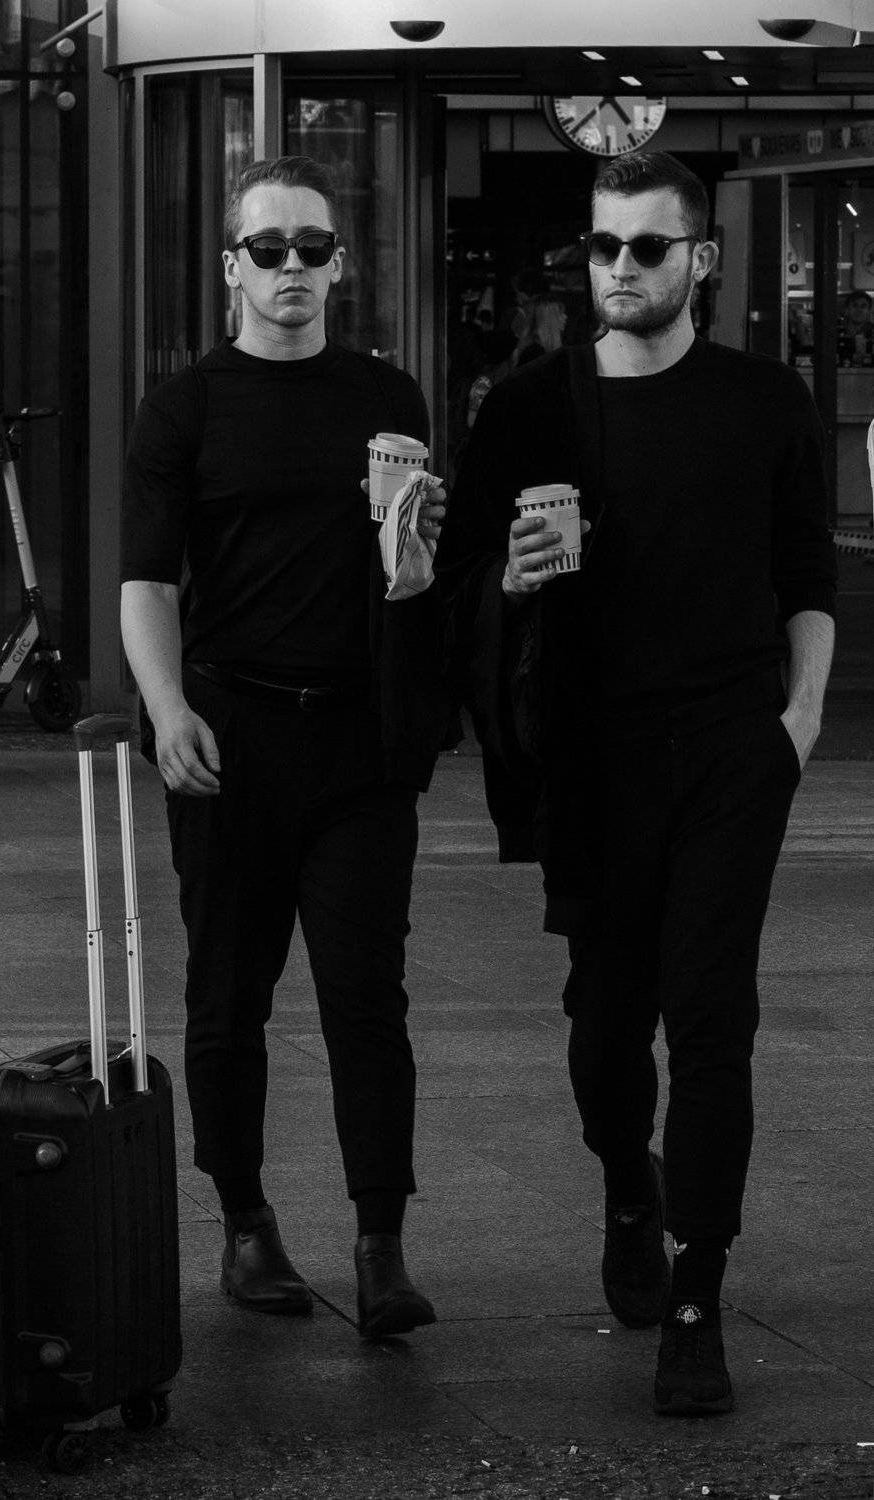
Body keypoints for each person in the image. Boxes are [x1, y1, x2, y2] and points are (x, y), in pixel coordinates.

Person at [435, 150, 836, 1415]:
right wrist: (510, 580)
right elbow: (454, 587)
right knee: (605, 1024)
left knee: (711, 1018)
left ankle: (696, 1297)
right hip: (593, 757)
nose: (616, 268)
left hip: (727, 748)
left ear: (698, 260)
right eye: (600, 247)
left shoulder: (762, 402)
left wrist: (796, 723)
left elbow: (806, 576)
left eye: (645, 247)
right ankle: (626, 1183)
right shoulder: (529, 409)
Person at [120, 155, 448, 1341]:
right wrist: (168, 711)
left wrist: (415, 568)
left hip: (357, 738)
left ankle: (379, 1243)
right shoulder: (187, 407)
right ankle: (245, 1222)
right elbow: (147, 583)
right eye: (269, 249)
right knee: (227, 991)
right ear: (233, 266)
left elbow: (409, 571)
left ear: (339, 264)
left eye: (312, 247)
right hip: (232, 732)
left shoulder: (387, 397)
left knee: (367, 999)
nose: (292, 267)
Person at [513, 295, 568, 367]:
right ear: (549, 319)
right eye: (560, 313)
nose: (565, 316)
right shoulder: (535, 352)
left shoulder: (541, 349)